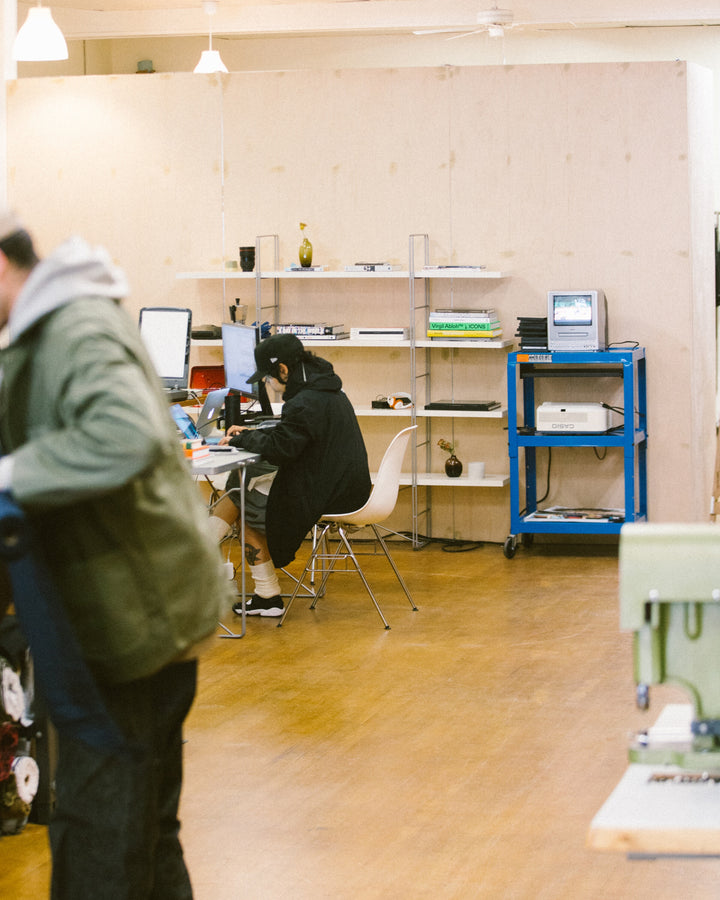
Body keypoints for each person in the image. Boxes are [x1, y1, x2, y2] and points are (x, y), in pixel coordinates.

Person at [0, 211, 234, 899]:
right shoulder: (45, 331)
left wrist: (9, 476)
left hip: (135, 623)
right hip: (134, 613)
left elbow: (122, 435)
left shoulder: (74, 327)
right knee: (143, 829)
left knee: (102, 834)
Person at [209, 333, 372, 617]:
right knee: (242, 484)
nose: (269, 384)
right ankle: (262, 594)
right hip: (344, 485)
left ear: (283, 370)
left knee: (241, 494)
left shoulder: (304, 401)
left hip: (328, 494)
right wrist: (252, 435)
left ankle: (200, 564)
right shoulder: (325, 390)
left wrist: (240, 440)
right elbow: (295, 435)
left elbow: (281, 449)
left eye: (269, 377)